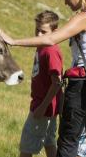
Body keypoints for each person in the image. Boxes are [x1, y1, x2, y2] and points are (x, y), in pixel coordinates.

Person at [0, 0, 86, 157]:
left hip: (82, 86)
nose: (66, 3)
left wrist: (13, 41)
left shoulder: (83, 18)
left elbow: (51, 40)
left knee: (68, 142)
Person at [19, 10, 64, 157]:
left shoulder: (50, 51)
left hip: (42, 109)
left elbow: (57, 83)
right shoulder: (41, 47)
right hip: (44, 107)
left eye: (43, 32)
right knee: (49, 142)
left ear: (55, 32)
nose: (38, 35)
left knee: (26, 147)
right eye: (37, 30)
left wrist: (42, 107)